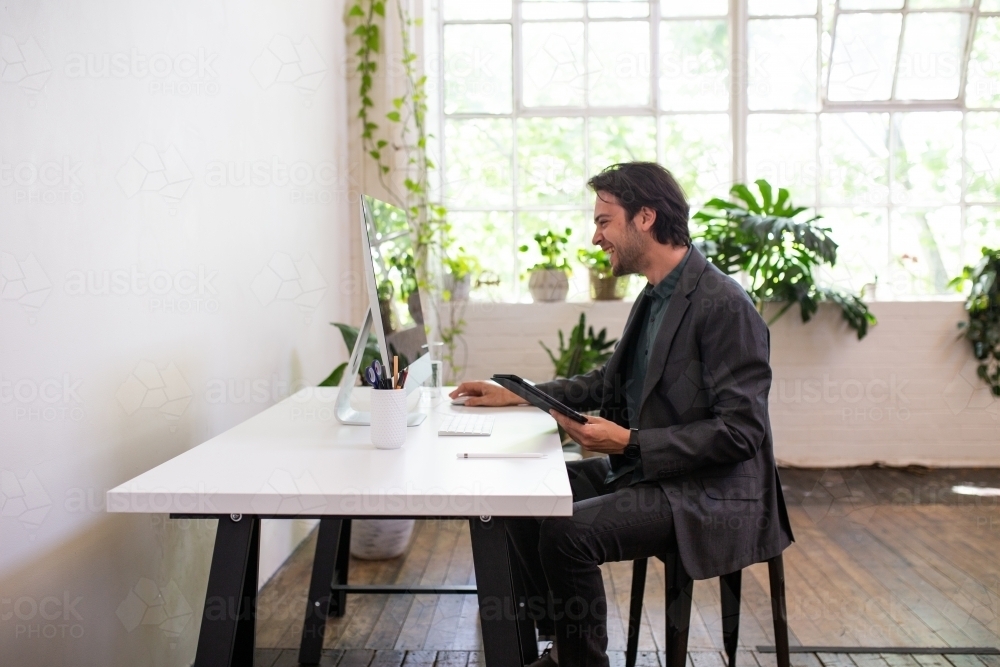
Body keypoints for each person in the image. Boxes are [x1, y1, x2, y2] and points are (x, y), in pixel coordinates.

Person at [450, 162, 794, 667]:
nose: (595, 237)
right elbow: (606, 382)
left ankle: (579, 662)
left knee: (568, 533)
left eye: (604, 221)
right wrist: (520, 394)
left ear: (646, 218)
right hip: (651, 471)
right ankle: (561, 646)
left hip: (708, 491)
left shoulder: (725, 305)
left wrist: (630, 442)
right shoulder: (656, 295)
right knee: (520, 499)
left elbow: (741, 434)